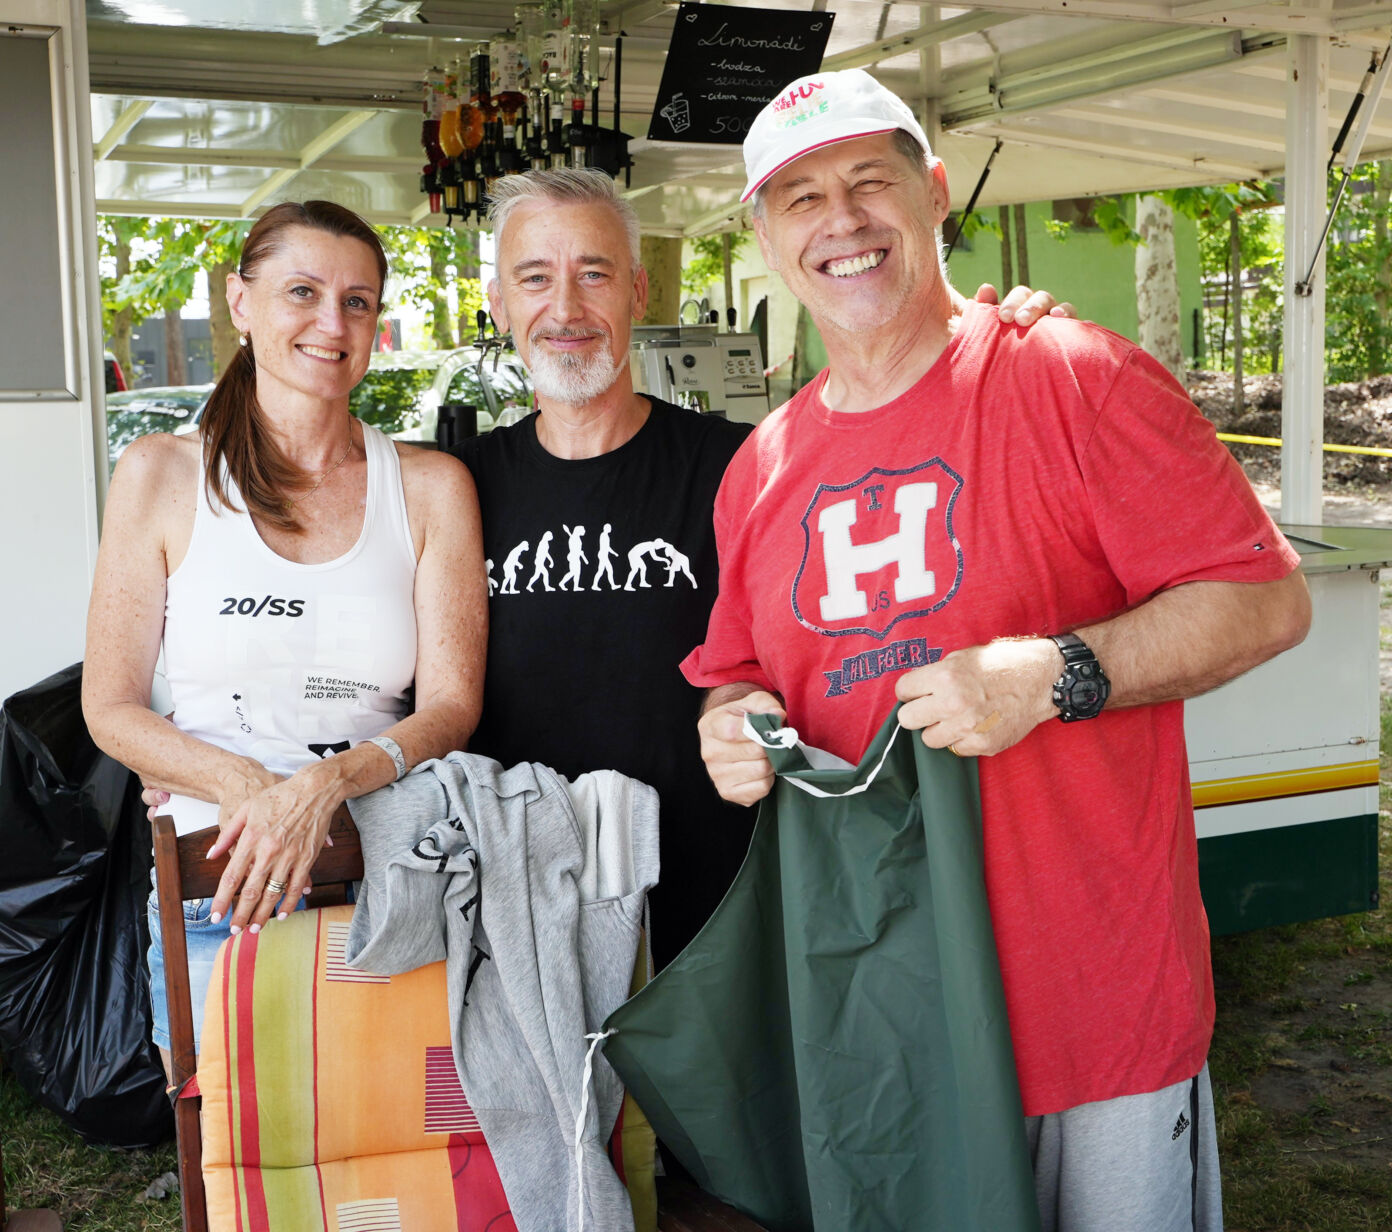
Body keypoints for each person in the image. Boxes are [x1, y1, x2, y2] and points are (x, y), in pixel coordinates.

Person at [684, 70, 1312, 1232]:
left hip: (1094, 1008)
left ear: (934, 192)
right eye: (803, 197)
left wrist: (1054, 673)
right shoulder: (759, 469)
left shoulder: (1069, 375)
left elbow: (1266, 600)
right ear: (765, 238)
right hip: (886, 1018)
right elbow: (738, 668)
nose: (843, 219)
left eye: (871, 180)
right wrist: (730, 720)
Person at [455, 167, 1067, 969]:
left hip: (720, 902)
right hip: (523, 907)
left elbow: (897, 513)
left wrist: (998, 349)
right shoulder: (455, 489)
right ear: (498, 304)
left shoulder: (751, 466)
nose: (565, 308)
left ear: (639, 291)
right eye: (534, 278)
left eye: (594, 274)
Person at [82, 200, 487, 1066]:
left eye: (357, 302)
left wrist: (323, 788)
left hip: (387, 876)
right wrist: (250, 790)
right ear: (241, 302)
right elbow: (109, 707)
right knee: (236, 1136)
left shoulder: (430, 487)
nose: (332, 323)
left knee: (394, 1133)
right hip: (221, 881)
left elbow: (452, 707)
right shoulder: (161, 475)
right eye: (301, 291)